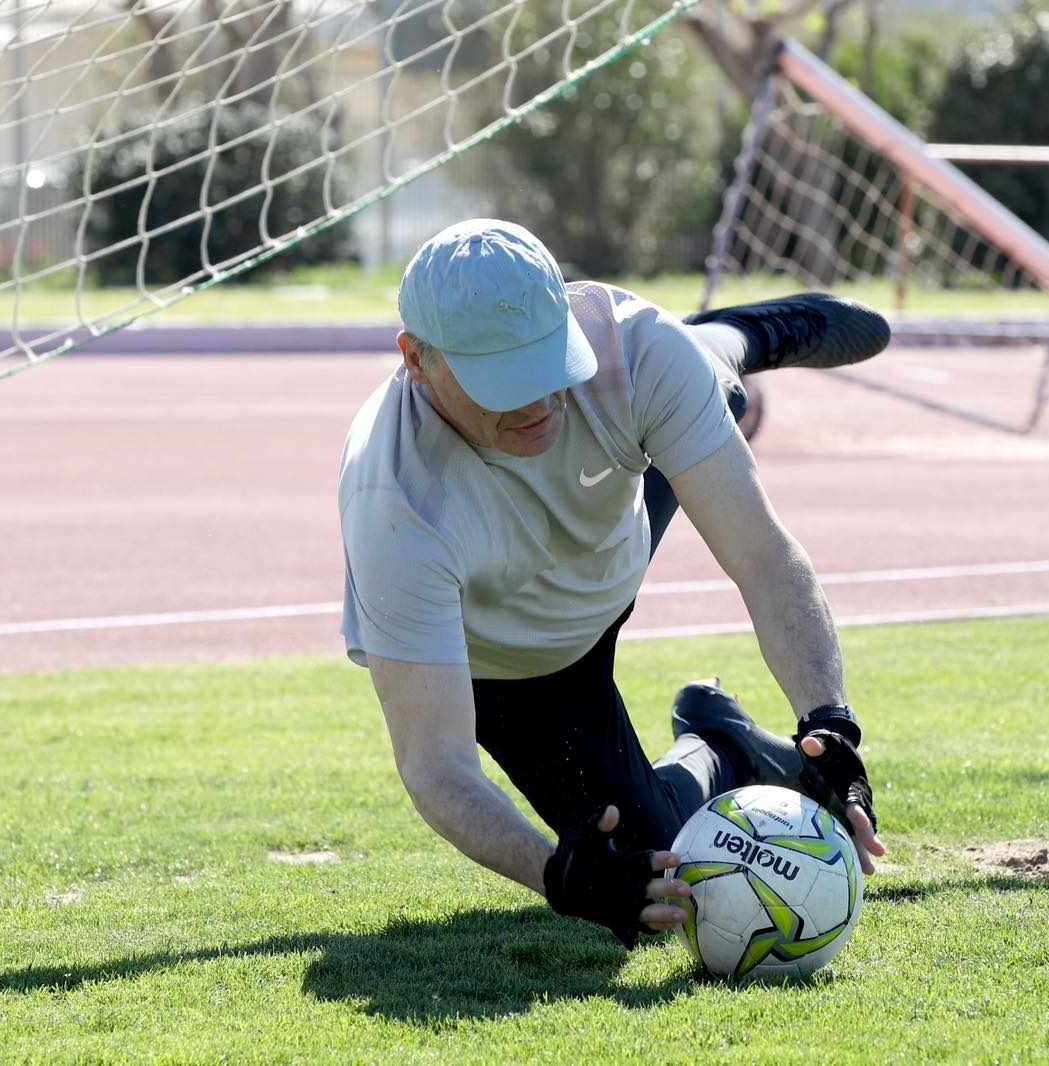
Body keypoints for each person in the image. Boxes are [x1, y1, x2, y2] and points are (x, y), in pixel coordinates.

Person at [338, 218, 890, 947]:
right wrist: (560, 876)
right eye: (502, 379)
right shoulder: (395, 503)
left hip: (611, 540)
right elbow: (435, 765)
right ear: (417, 360)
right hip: (514, 665)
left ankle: (727, 341)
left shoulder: (633, 346)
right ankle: (721, 746)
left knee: (698, 381)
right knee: (658, 864)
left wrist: (831, 721)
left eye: (546, 361)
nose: (536, 401)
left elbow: (763, 556)